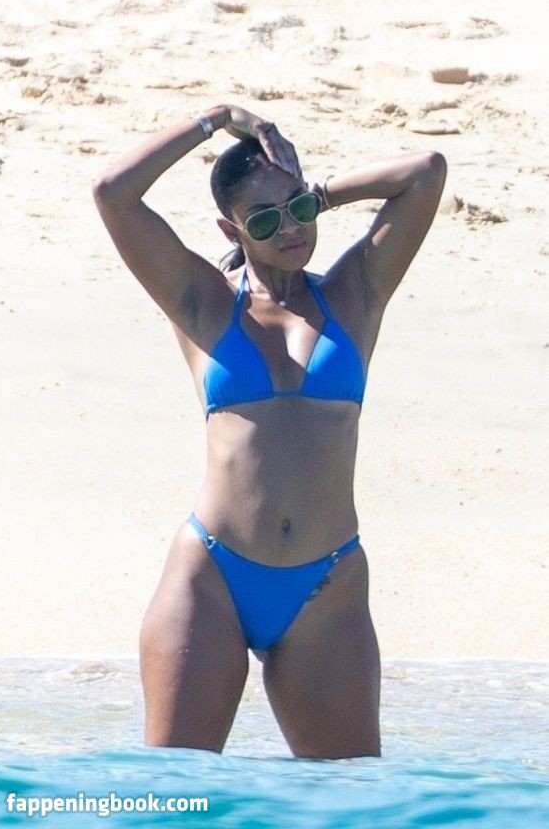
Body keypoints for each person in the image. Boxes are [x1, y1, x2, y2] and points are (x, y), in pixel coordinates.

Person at [92, 102, 446, 759]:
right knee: (177, 791)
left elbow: (425, 171)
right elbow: (114, 192)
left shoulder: (355, 294)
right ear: (230, 228)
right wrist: (215, 119)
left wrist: (322, 193)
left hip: (327, 585)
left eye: (298, 209)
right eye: (263, 218)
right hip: (212, 579)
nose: (289, 229)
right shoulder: (201, 301)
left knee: (348, 797)